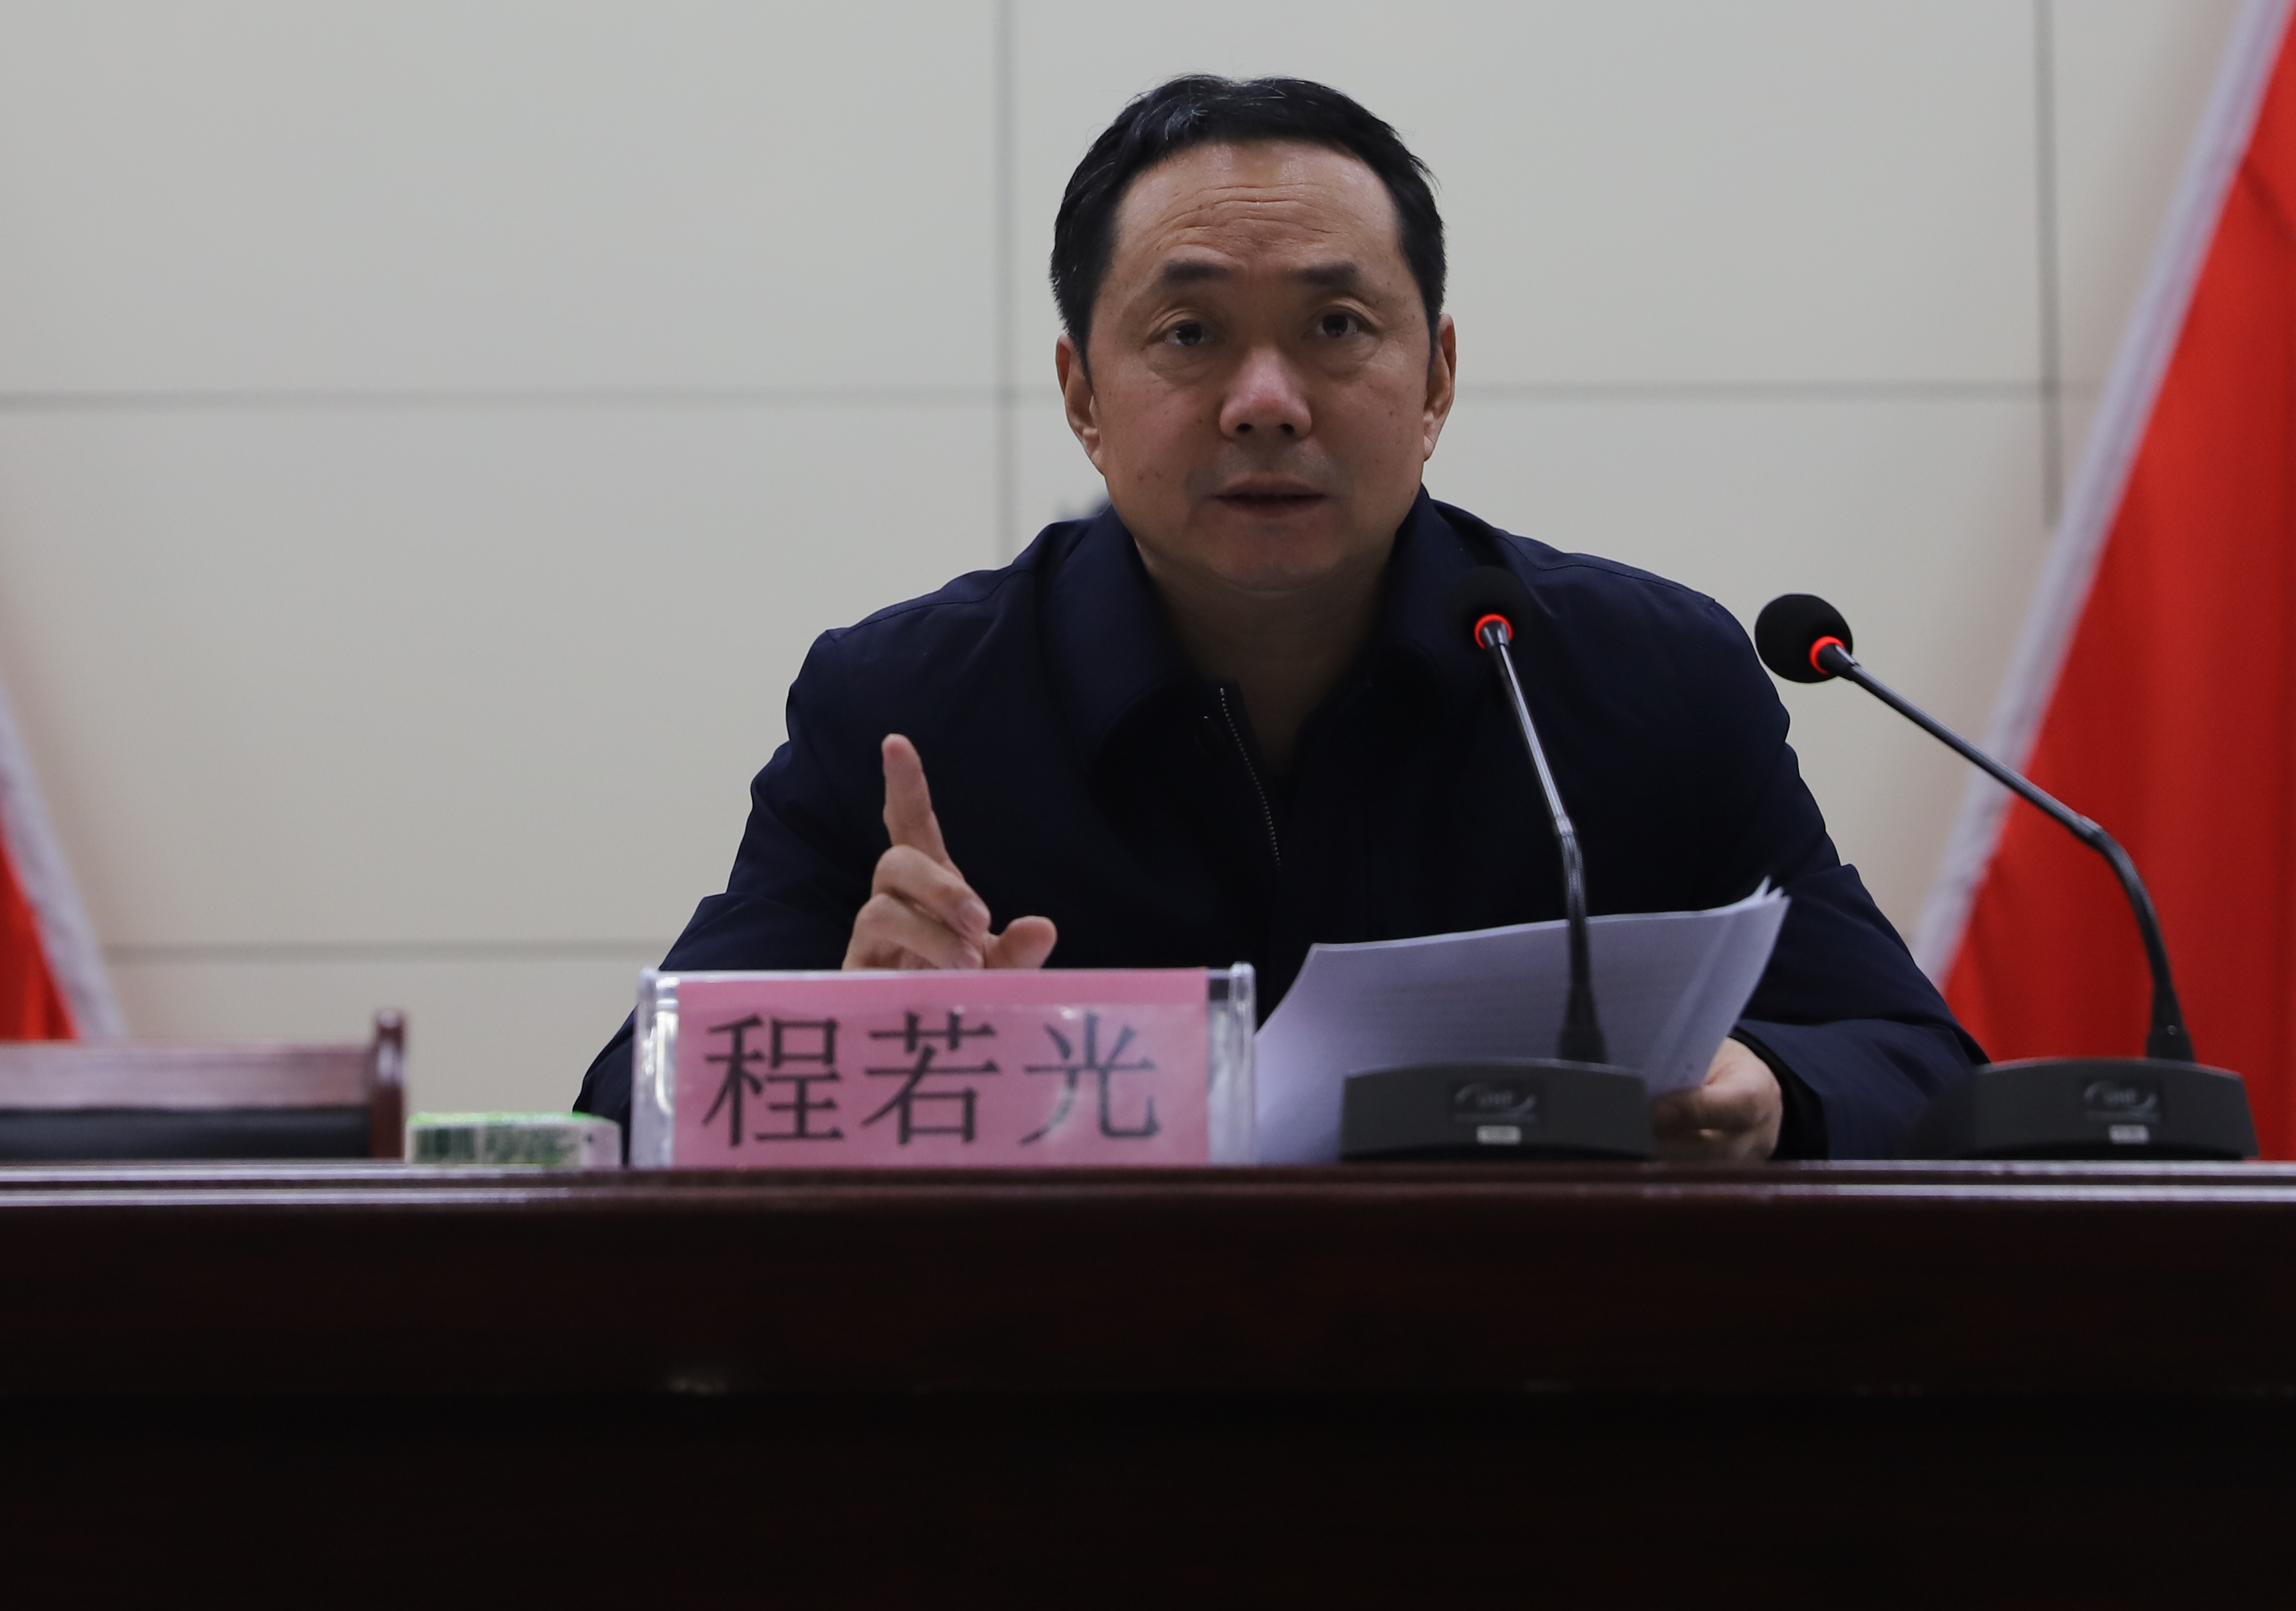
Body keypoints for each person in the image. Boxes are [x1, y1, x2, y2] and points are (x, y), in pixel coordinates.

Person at [577, 75, 1980, 1158]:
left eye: (1335, 328)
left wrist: (1773, 1091)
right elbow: (625, 1113)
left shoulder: (1649, 683)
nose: (1265, 400)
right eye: (1190, 335)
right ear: (1082, 395)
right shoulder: (912, 711)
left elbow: (1919, 1065)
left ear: (1436, 378)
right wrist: (848, 1038)